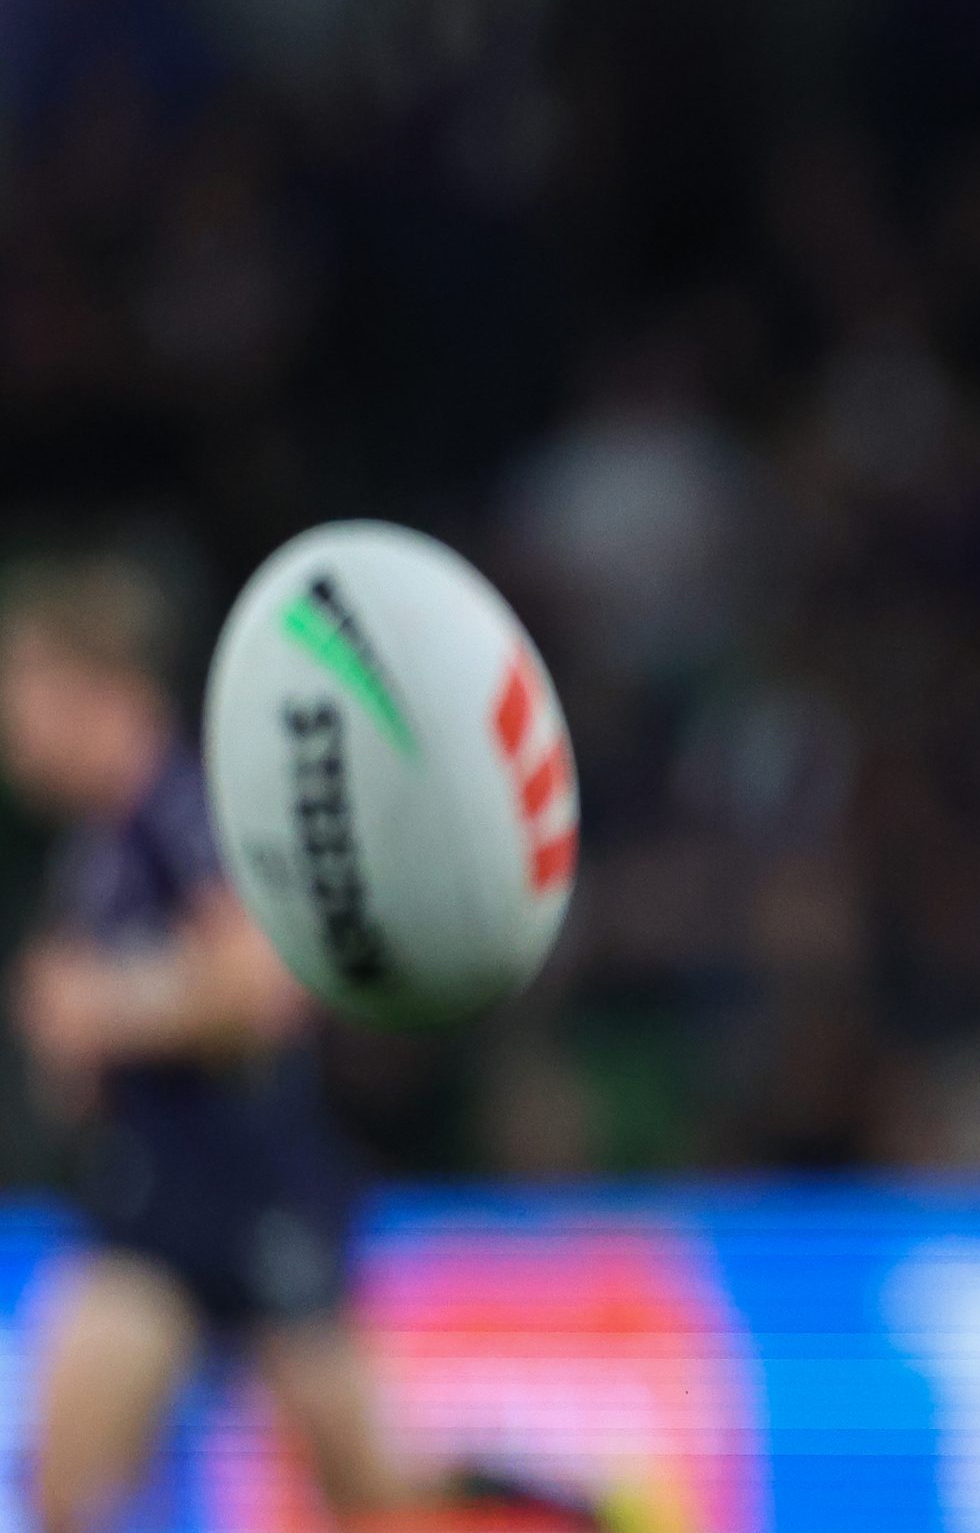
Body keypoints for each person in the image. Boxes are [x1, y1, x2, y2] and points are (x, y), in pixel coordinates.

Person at [0, 555, 630, 1533]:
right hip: (156, 1202)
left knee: (373, 1495)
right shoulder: (100, 843)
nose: (15, 725)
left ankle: (586, 1512)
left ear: (98, 686)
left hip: (253, 1187)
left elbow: (264, 985)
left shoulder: (186, 803)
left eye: (28, 689)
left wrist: (101, 1007)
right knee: (59, 1491)